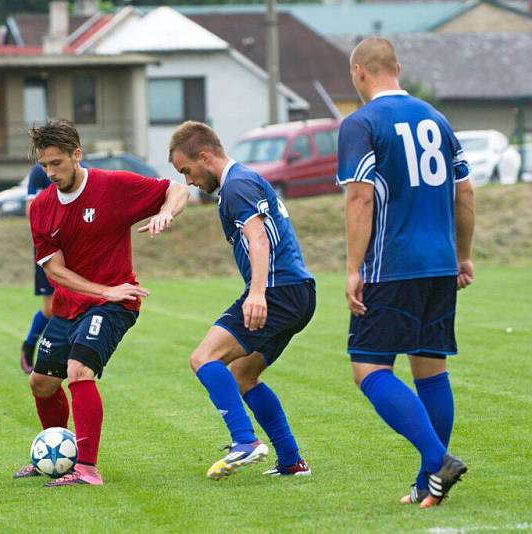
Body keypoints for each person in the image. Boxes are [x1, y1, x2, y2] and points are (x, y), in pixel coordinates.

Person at [13, 119, 190, 487]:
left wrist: (166, 212)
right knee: (42, 383)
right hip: (72, 304)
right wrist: (100, 290)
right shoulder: (42, 207)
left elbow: (176, 188)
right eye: (44, 166)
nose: (50, 173)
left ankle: (87, 468)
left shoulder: (113, 186)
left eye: (56, 163)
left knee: (78, 370)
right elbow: (55, 271)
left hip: (116, 303)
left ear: (77, 155)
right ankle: (55, 456)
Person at [337, 37, 474, 508]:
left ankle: (438, 459)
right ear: (396, 67)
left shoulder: (362, 123)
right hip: (439, 262)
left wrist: (353, 268)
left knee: (368, 367)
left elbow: (360, 197)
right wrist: (464, 255)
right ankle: (427, 485)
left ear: (359, 73)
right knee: (430, 369)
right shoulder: (437, 118)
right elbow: (465, 192)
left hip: (391, 265)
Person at [169, 121, 316, 480]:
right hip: (297, 292)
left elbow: (259, 237)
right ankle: (291, 460)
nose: (188, 181)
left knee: (204, 358)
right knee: (241, 374)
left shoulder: (236, 186)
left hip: (279, 290)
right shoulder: (244, 181)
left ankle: (244, 441)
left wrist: (257, 292)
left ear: (205, 156)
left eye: (187, 170)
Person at [20, 163, 54, 374]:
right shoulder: (41, 171)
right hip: (48, 246)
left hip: (76, 247)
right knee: (51, 308)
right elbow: (31, 210)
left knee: (79, 303)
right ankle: (29, 345)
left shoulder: (84, 171)